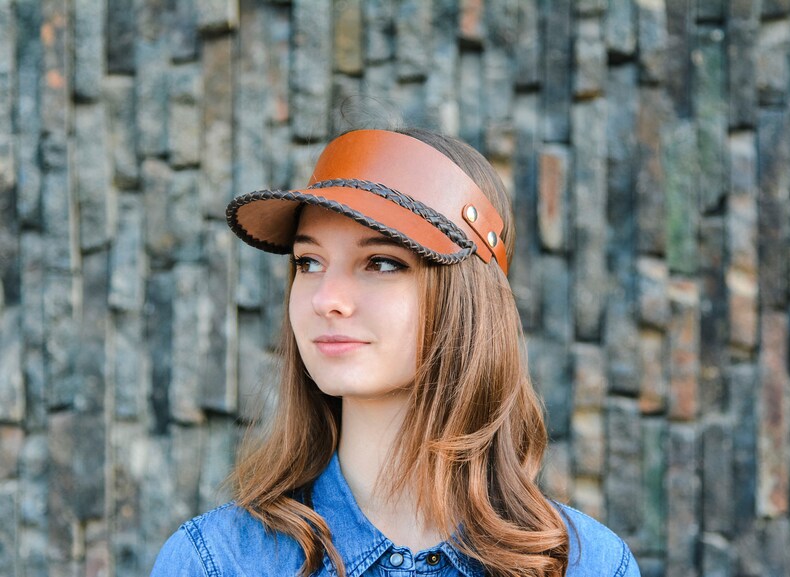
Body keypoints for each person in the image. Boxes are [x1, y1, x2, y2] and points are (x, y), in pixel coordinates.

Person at [150, 128, 641, 577]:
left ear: (467, 298)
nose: (326, 300)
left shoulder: (586, 564)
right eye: (309, 262)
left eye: (380, 262)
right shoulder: (216, 562)